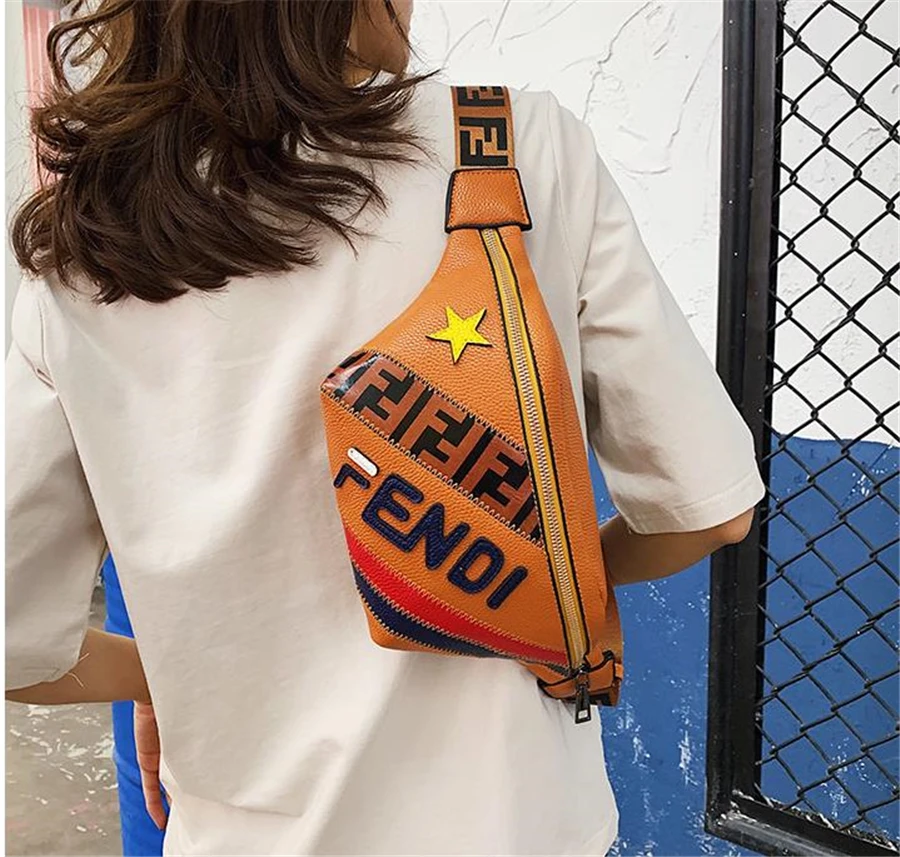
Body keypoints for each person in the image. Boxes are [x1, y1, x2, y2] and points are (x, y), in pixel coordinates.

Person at [5, 1, 766, 854]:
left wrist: (168, 674)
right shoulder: (513, 150)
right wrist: (515, 582)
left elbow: (14, 644)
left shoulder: (82, 249)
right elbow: (710, 508)